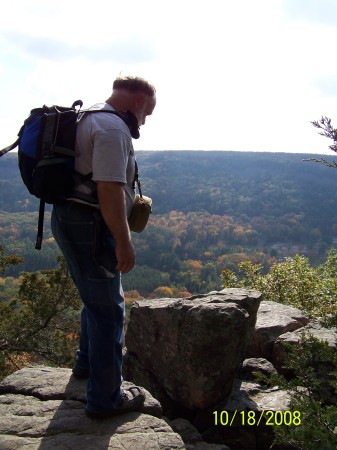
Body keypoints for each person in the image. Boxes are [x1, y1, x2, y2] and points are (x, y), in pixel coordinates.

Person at [51, 76, 156, 418]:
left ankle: (85, 365)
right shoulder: (113, 129)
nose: (145, 121)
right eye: (147, 112)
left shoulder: (89, 115)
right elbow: (109, 191)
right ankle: (105, 399)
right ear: (138, 100)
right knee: (109, 310)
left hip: (69, 218)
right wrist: (124, 243)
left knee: (94, 299)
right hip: (92, 227)